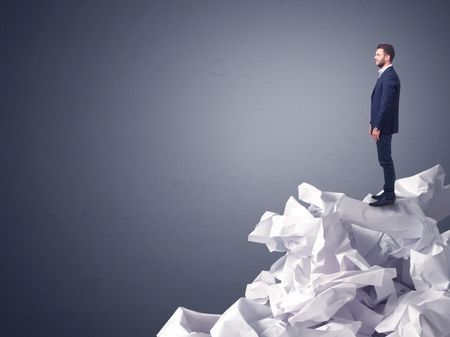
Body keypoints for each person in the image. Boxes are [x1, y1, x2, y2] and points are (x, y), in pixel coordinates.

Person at [369, 43, 400, 207]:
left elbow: (386, 104)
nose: (375, 57)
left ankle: (389, 196)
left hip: (384, 127)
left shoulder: (390, 76)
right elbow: (378, 102)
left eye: (378, 54)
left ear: (387, 57)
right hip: (380, 125)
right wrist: (371, 123)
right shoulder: (384, 75)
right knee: (384, 160)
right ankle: (387, 191)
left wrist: (377, 126)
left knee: (386, 161)